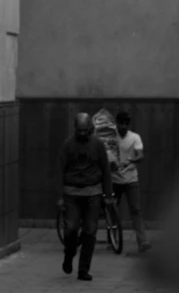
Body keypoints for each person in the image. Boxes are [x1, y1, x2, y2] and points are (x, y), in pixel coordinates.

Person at [58, 113, 114, 281]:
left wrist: (108, 195)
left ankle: (83, 269)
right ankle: (69, 254)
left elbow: (105, 170)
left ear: (90, 129)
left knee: (90, 231)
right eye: (79, 131)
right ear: (75, 129)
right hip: (72, 193)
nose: (82, 134)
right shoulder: (68, 145)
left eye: (85, 130)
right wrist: (59, 197)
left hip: (93, 193)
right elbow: (59, 171)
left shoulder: (97, 145)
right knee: (71, 229)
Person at [111, 111, 151, 254]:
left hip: (131, 179)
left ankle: (143, 241)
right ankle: (114, 239)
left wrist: (133, 160)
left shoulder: (135, 137)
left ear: (128, 124)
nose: (123, 126)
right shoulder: (111, 137)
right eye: (121, 123)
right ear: (117, 123)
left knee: (136, 211)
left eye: (126, 124)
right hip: (114, 180)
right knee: (112, 211)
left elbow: (140, 154)